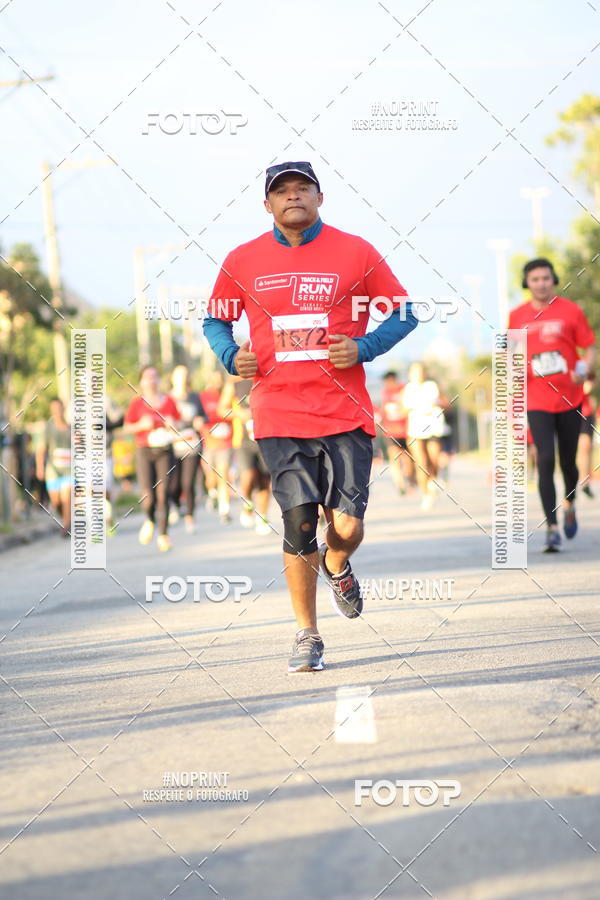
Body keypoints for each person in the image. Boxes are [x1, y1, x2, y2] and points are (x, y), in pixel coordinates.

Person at [203, 160, 418, 673]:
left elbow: (405, 311)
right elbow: (215, 319)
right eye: (282, 192)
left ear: (320, 198)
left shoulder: (355, 251)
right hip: (279, 413)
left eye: (303, 189)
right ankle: (307, 633)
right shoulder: (243, 259)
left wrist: (364, 346)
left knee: (346, 527)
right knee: (299, 522)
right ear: (268, 205)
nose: (292, 197)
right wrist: (231, 356)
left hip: (344, 413)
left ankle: (338, 564)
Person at [508, 258, 596, 552]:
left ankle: (569, 502)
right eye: (535, 279)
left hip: (570, 397)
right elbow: (512, 356)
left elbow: (590, 347)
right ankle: (552, 528)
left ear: (553, 279)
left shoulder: (570, 311)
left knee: (567, 462)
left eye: (546, 278)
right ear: (527, 283)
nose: (541, 284)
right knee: (544, 459)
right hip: (537, 399)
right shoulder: (516, 316)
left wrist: (585, 372)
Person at [123, 365, 180, 552]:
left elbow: (179, 423)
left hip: (165, 450)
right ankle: (149, 520)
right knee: (148, 497)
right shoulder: (136, 403)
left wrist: (173, 424)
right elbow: (127, 428)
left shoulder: (169, 401)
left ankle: (164, 535)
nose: (152, 380)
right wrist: (140, 425)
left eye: (155, 376)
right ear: (141, 381)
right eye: (148, 377)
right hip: (145, 451)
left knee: (163, 493)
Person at [222, 375, 273, 534]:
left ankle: (262, 517)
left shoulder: (268, 377)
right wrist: (239, 414)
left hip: (267, 438)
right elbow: (221, 408)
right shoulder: (235, 383)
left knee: (265, 480)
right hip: (243, 440)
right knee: (248, 475)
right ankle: (248, 502)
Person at [401, 362, 450, 511]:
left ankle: (432, 480)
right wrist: (416, 407)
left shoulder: (432, 386)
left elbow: (447, 405)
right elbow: (403, 410)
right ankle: (426, 493)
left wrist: (438, 405)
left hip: (434, 427)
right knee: (421, 463)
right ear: (411, 374)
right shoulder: (408, 389)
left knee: (434, 459)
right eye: (415, 372)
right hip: (416, 429)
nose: (418, 374)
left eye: (421, 371)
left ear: (425, 373)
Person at [168, 365, 206, 533]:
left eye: (185, 375)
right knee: (174, 484)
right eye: (179, 376)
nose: (182, 379)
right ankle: (176, 505)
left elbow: (203, 416)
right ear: (173, 378)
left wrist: (200, 421)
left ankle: (190, 517)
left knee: (188, 482)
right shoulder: (168, 398)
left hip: (191, 445)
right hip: (173, 445)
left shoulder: (194, 397)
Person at [200, 370, 234, 523]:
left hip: (226, 442)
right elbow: (200, 419)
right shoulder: (204, 397)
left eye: (220, 379)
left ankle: (224, 509)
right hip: (209, 442)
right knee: (211, 477)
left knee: (224, 474)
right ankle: (212, 493)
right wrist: (208, 434)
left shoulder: (228, 394)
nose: (218, 382)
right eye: (215, 379)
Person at [35, 398, 71, 537]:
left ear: (63, 409)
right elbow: (41, 449)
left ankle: (66, 526)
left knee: (67, 497)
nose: (57, 411)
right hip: (53, 470)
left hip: (69, 469)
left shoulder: (70, 427)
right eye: (54, 409)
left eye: (59, 408)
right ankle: (66, 518)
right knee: (57, 502)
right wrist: (40, 467)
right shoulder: (48, 428)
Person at [379, 370, 414, 494]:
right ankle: (399, 483)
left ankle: (409, 479)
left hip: (405, 430)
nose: (388, 383)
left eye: (390, 380)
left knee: (406, 457)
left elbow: (409, 407)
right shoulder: (384, 393)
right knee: (394, 457)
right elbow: (383, 411)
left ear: (394, 379)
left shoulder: (403, 389)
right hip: (390, 431)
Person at [578, 380, 597, 499]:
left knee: (586, 447)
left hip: (586, 411)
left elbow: (589, 387)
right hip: (570, 410)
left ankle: (585, 481)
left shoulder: (586, 366)